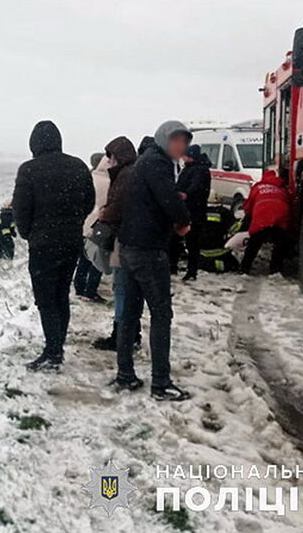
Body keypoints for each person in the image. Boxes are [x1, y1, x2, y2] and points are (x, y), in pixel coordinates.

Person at [114, 120, 192, 402]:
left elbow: (150, 200)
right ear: (163, 140)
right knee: (161, 315)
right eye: (176, 140)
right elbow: (168, 200)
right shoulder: (158, 163)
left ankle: (125, 374)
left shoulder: (145, 162)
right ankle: (161, 383)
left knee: (130, 314)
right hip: (148, 251)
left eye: (184, 142)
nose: (181, 147)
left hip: (130, 247)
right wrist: (183, 221)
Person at [12, 120, 94, 371]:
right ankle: (56, 348)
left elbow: (21, 209)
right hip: (70, 242)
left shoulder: (29, 170)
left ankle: (53, 352)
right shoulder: (78, 166)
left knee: (46, 299)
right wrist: (74, 222)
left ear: (34, 143)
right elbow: (88, 202)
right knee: (60, 296)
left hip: (43, 245)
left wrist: (29, 233)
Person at [91, 137, 139, 351]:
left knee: (121, 288)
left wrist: (104, 214)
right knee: (128, 290)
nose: (108, 162)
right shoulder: (134, 173)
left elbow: (116, 208)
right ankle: (130, 333)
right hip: (134, 239)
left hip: (124, 239)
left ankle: (121, 335)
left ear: (118, 157)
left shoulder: (125, 176)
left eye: (110, 157)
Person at [240, 170, 292, 275]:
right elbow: (290, 203)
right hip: (280, 218)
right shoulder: (282, 188)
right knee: (279, 245)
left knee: (254, 244)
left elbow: (248, 207)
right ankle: (275, 270)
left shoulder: (257, 187)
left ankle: (244, 268)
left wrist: (246, 224)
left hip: (261, 219)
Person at [74, 153, 110, 302]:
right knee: (97, 260)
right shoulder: (109, 181)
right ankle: (90, 291)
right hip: (98, 225)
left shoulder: (87, 177)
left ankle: (79, 287)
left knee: (84, 258)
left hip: (84, 224)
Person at [176, 145, 212, 281]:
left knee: (192, 242)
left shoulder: (200, 170)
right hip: (190, 209)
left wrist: (185, 194)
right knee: (185, 240)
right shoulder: (191, 168)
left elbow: (196, 187)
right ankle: (181, 267)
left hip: (194, 211)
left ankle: (192, 271)